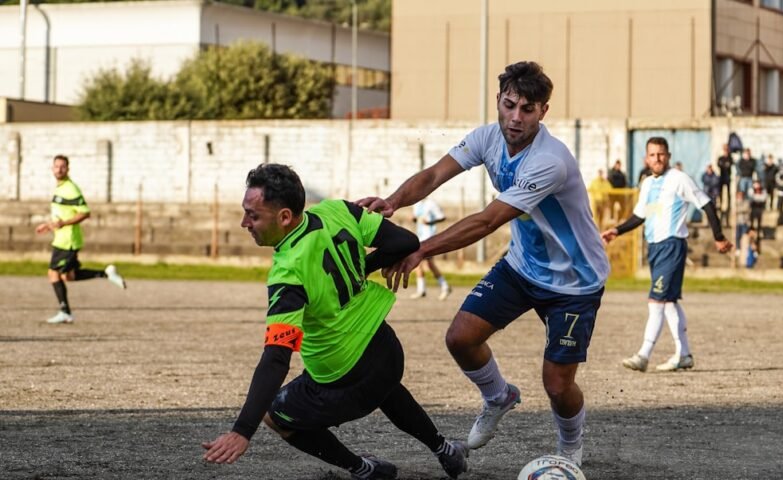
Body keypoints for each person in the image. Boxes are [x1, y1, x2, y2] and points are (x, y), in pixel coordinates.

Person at [358, 61, 609, 469]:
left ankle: (569, 450)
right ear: (498, 100)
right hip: (521, 266)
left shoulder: (549, 160)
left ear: (543, 111)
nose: (515, 117)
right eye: (509, 105)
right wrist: (394, 202)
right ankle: (499, 396)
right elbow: (436, 173)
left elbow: (488, 220)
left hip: (574, 283)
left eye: (527, 109)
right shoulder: (487, 138)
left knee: (557, 384)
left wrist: (422, 248)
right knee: (461, 338)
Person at [202, 164, 468, 480]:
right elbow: (405, 242)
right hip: (387, 353)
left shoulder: (288, 272)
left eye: (253, 215)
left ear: (285, 217)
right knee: (385, 385)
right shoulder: (338, 210)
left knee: (275, 416)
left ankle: (363, 469)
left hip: (343, 381)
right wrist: (361, 268)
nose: (245, 222)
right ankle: (443, 449)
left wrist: (242, 430)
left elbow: (276, 357)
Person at [601, 137, 732, 373]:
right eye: (653, 155)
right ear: (646, 158)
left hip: (672, 246)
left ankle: (643, 355)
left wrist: (719, 236)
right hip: (655, 248)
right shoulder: (648, 184)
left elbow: (706, 203)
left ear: (668, 156)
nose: (657, 159)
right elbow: (642, 215)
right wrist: (617, 231)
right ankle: (684, 354)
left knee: (656, 302)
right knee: (669, 302)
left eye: (661, 154)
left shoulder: (679, 179)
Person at [35, 155, 126, 324]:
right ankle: (105, 273)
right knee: (69, 276)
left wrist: (63, 224)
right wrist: (48, 225)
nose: (59, 169)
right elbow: (61, 215)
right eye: (56, 166)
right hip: (61, 239)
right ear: (52, 168)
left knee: (53, 274)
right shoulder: (59, 188)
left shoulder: (71, 189)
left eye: (62, 167)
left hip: (68, 241)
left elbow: (85, 213)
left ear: (68, 169)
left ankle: (65, 312)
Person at [410, 198, 452, 300]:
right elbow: (417, 218)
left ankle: (443, 286)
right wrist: (414, 219)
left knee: (423, 262)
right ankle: (425, 289)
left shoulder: (431, 203)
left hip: (429, 237)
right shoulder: (416, 204)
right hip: (420, 237)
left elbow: (442, 217)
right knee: (425, 263)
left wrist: (430, 222)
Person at [717, 143, 734, 226]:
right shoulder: (720, 158)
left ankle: (728, 209)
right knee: (720, 195)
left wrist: (725, 165)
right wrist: (725, 165)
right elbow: (720, 165)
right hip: (722, 178)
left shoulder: (730, 158)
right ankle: (720, 206)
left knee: (728, 196)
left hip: (727, 179)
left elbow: (729, 165)